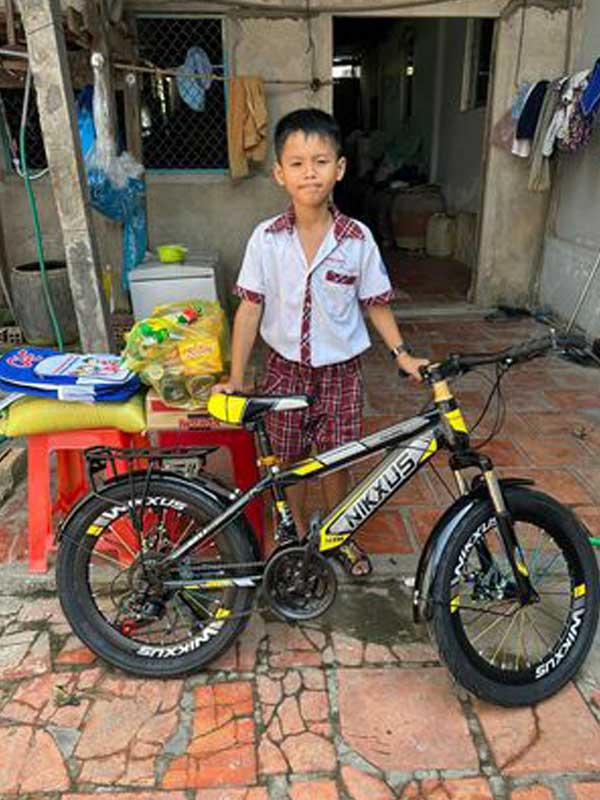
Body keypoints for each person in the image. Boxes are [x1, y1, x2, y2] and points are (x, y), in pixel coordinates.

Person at [213, 108, 428, 576]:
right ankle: (288, 540)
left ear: (340, 168)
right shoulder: (265, 240)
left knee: (336, 459)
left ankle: (337, 535)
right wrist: (235, 378)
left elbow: (375, 302)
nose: (309, 172)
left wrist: (401, 354)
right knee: (288, 462)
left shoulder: (358, 240)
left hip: (340, 373)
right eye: (297, 163)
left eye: (320, 160)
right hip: (282, 371)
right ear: (279, 173)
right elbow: (249, 308)